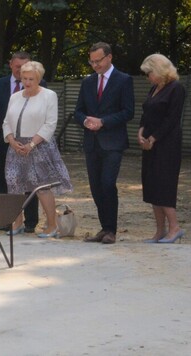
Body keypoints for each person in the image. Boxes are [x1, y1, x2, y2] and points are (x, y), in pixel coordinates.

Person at [2, 61, 72, 238]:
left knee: (42, 186)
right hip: (16, 146)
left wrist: (32, 144)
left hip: (39, 146)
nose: (27, 82)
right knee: (13, 184)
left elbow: (50, 124)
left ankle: (52, 225)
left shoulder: (49, 95)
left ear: (39, 78)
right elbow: (6, 122)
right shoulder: (15, 96)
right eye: (24, 78)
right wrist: (11, 140)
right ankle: (17, 222)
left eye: (31, 79)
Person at [74, 42, 134, 244]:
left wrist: (103, 122)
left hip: (113, 142)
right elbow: (78, 110)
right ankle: (103, 228)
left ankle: (111, 230)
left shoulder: (124, 80)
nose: (94, 65)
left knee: (108, 184)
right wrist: (85, 121)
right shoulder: (88, 82)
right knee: (96, 187)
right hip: (91, 143)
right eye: (91, 61)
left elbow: (128, 111)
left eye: (98, 60)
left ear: (109, 57)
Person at [0, 51, 42, 234]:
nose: (21, 71)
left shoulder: (41, 87)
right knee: (3, 180)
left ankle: (30, 221)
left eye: (25, 67)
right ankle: (4, 219)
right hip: (3, 142)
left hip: (30, 143)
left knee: (29, 180)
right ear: (11, 64)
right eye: (18, 67)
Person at [138, 54, 185, 243]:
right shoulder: (154, 88)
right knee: (151, 186)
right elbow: (147, 113)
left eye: (149, 73)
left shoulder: (176, 89)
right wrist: (141, 132)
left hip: (167, 145)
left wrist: (153, 138)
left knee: (164, 185)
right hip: (149, 144)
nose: (148, 77)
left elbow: (172, 119)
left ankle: (175, 228)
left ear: (159, 70)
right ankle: (160, 231)